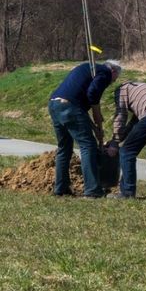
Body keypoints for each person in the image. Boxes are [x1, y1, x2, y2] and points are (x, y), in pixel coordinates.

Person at [48, 60, 122, 198]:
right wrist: (96, 112)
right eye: (114, 79)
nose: (112, 82)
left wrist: (95, 128)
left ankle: (61, 188)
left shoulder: (88, 69)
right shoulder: (104, 72)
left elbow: (79, 110)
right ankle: (92, 190)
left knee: (64, 147)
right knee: (88, 146)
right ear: (113, 71)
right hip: (70, 107)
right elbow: (93, 93)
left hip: (55, 105)